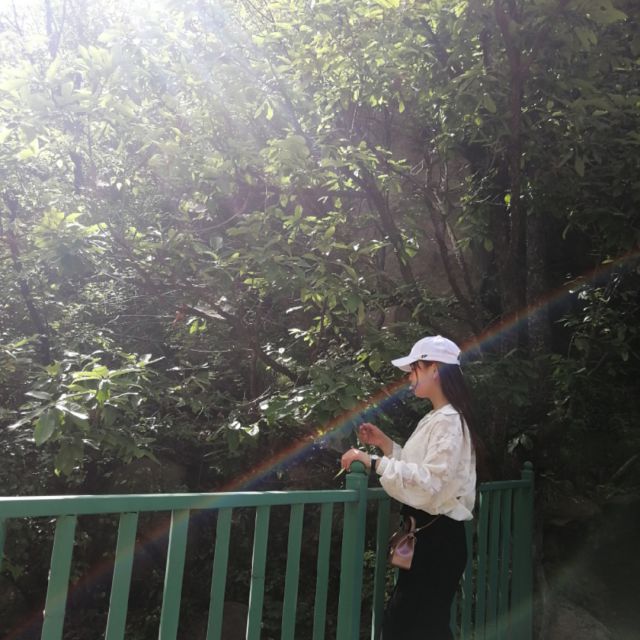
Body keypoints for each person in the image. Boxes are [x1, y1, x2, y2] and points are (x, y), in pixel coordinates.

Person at [340, 335, 479, 640]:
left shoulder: (448, 421)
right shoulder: (439, 417)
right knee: (420, 626)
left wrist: (373, 461)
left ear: (435, 369)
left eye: (414, 369)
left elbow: (431, 481)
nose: (409, 377)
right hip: (434, 538)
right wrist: (386, 445)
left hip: (436, 541)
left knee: (411, 627)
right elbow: (423, 471)